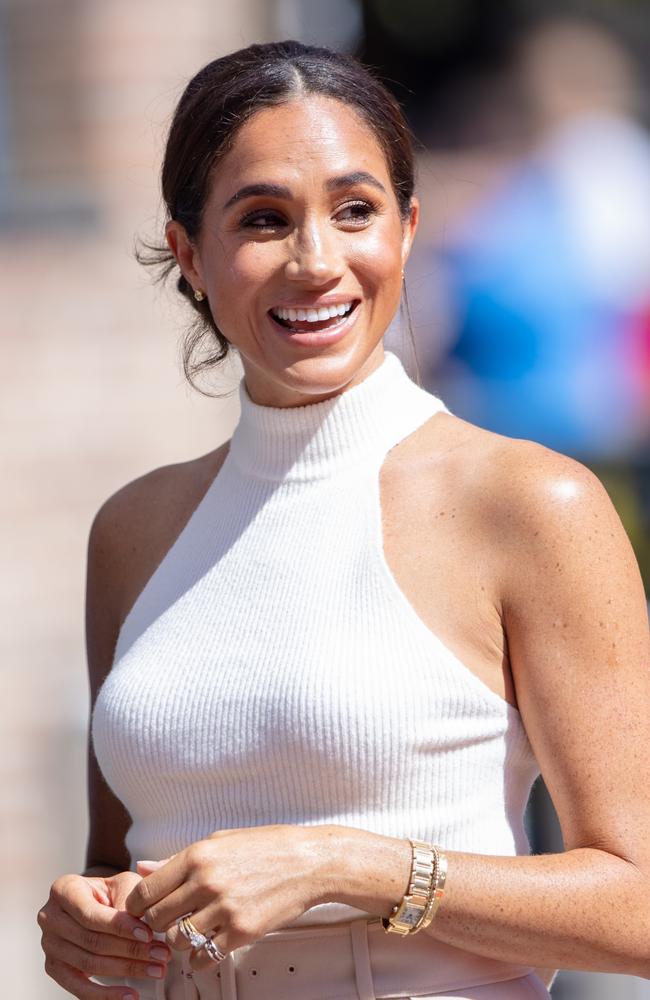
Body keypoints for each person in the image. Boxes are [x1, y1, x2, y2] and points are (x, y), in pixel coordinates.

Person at [37, 40, 650, 1000]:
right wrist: (85, 928)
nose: (316, 261)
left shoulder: (528, 501)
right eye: (264, 219)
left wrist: (349, 866)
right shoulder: (134, 529)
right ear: (189, 254)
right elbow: (123, 864)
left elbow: (642, 904)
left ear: (408, 229)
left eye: (355, 210)